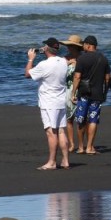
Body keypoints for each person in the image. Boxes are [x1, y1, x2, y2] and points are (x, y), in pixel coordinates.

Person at [25, 38, 69, 170]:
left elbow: (27, 74)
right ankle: (65, 161)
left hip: (49, 102)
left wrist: (31, 59)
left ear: (47, 48)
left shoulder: (44, 64)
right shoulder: (63, 61)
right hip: (61, 100)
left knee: (51, 132)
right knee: (61, 130)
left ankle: (52, 162)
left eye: (44, 46)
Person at [71, 35, 111, 155]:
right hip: (97, 94)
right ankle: (90, 147)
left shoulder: (82, 59)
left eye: (84, 45)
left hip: (83, 94)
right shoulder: (103, 59)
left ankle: (81, 147)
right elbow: (107, 78)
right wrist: (105, 92)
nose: (83, 47)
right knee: (93, 120)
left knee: (80, 119)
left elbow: (77, 77)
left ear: (88, 45)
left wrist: (73, 93)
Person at [59, 35, 84, 153]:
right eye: (68, 46)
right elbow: (58, 73)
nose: (68, 48)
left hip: (80, 90)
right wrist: (68, 64)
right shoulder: (64, 59)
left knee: (81, 118)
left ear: (76, 47)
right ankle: (71, 144)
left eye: (70, 46)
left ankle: (81, 144)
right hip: (67, 90)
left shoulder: (82, 59)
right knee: (69, 119)